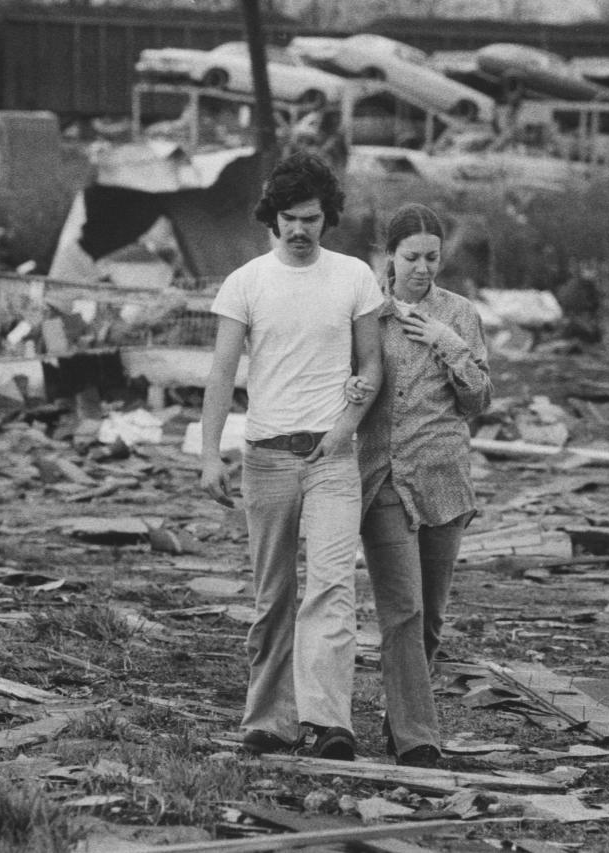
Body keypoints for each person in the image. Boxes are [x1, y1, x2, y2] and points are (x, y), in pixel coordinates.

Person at [200, 151, 383, 761]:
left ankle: (330, 723)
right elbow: (222, 375)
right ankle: (270, 721)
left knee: (331, 587)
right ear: (271, 218)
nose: (300, 229)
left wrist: (347, 422)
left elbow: (372, 365)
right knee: (272, 594)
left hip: (332, 456)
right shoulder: (245, 283)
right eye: (289, 217)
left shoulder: (354, 276)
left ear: (327, 217)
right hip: (266, 459)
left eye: (311, 217)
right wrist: (209, 454)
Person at [345, 203, 492, 768]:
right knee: (401, 610)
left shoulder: (459, 314)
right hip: (383, 481)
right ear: (389, 257)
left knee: (429, 618)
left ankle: (399, 715)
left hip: (444, 484)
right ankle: (418, 740)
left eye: (432, 258)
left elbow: (479, 399)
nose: (423, 269)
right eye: (412, 258)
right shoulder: (366, 316)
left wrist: (445, 341)